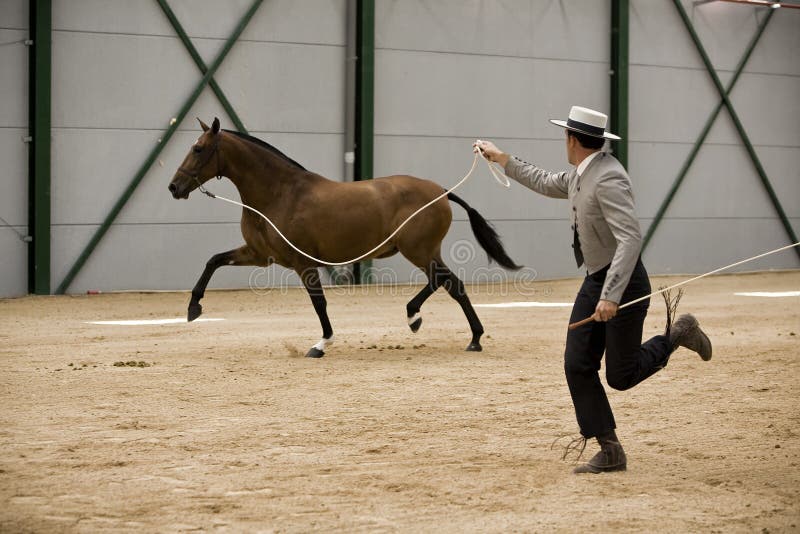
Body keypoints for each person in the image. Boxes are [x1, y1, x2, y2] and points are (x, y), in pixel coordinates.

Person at [475, 105, 712, 474]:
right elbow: (543, 180)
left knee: (621, 375)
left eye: (564, 135)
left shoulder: (609, 179)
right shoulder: (583, 172)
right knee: (577, 364)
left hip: (624, 283)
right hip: (597, 279)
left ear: (572, 139)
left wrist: (612, 296)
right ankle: (611, 449)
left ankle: (679, 334)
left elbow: (630, 239)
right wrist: (501, 157)